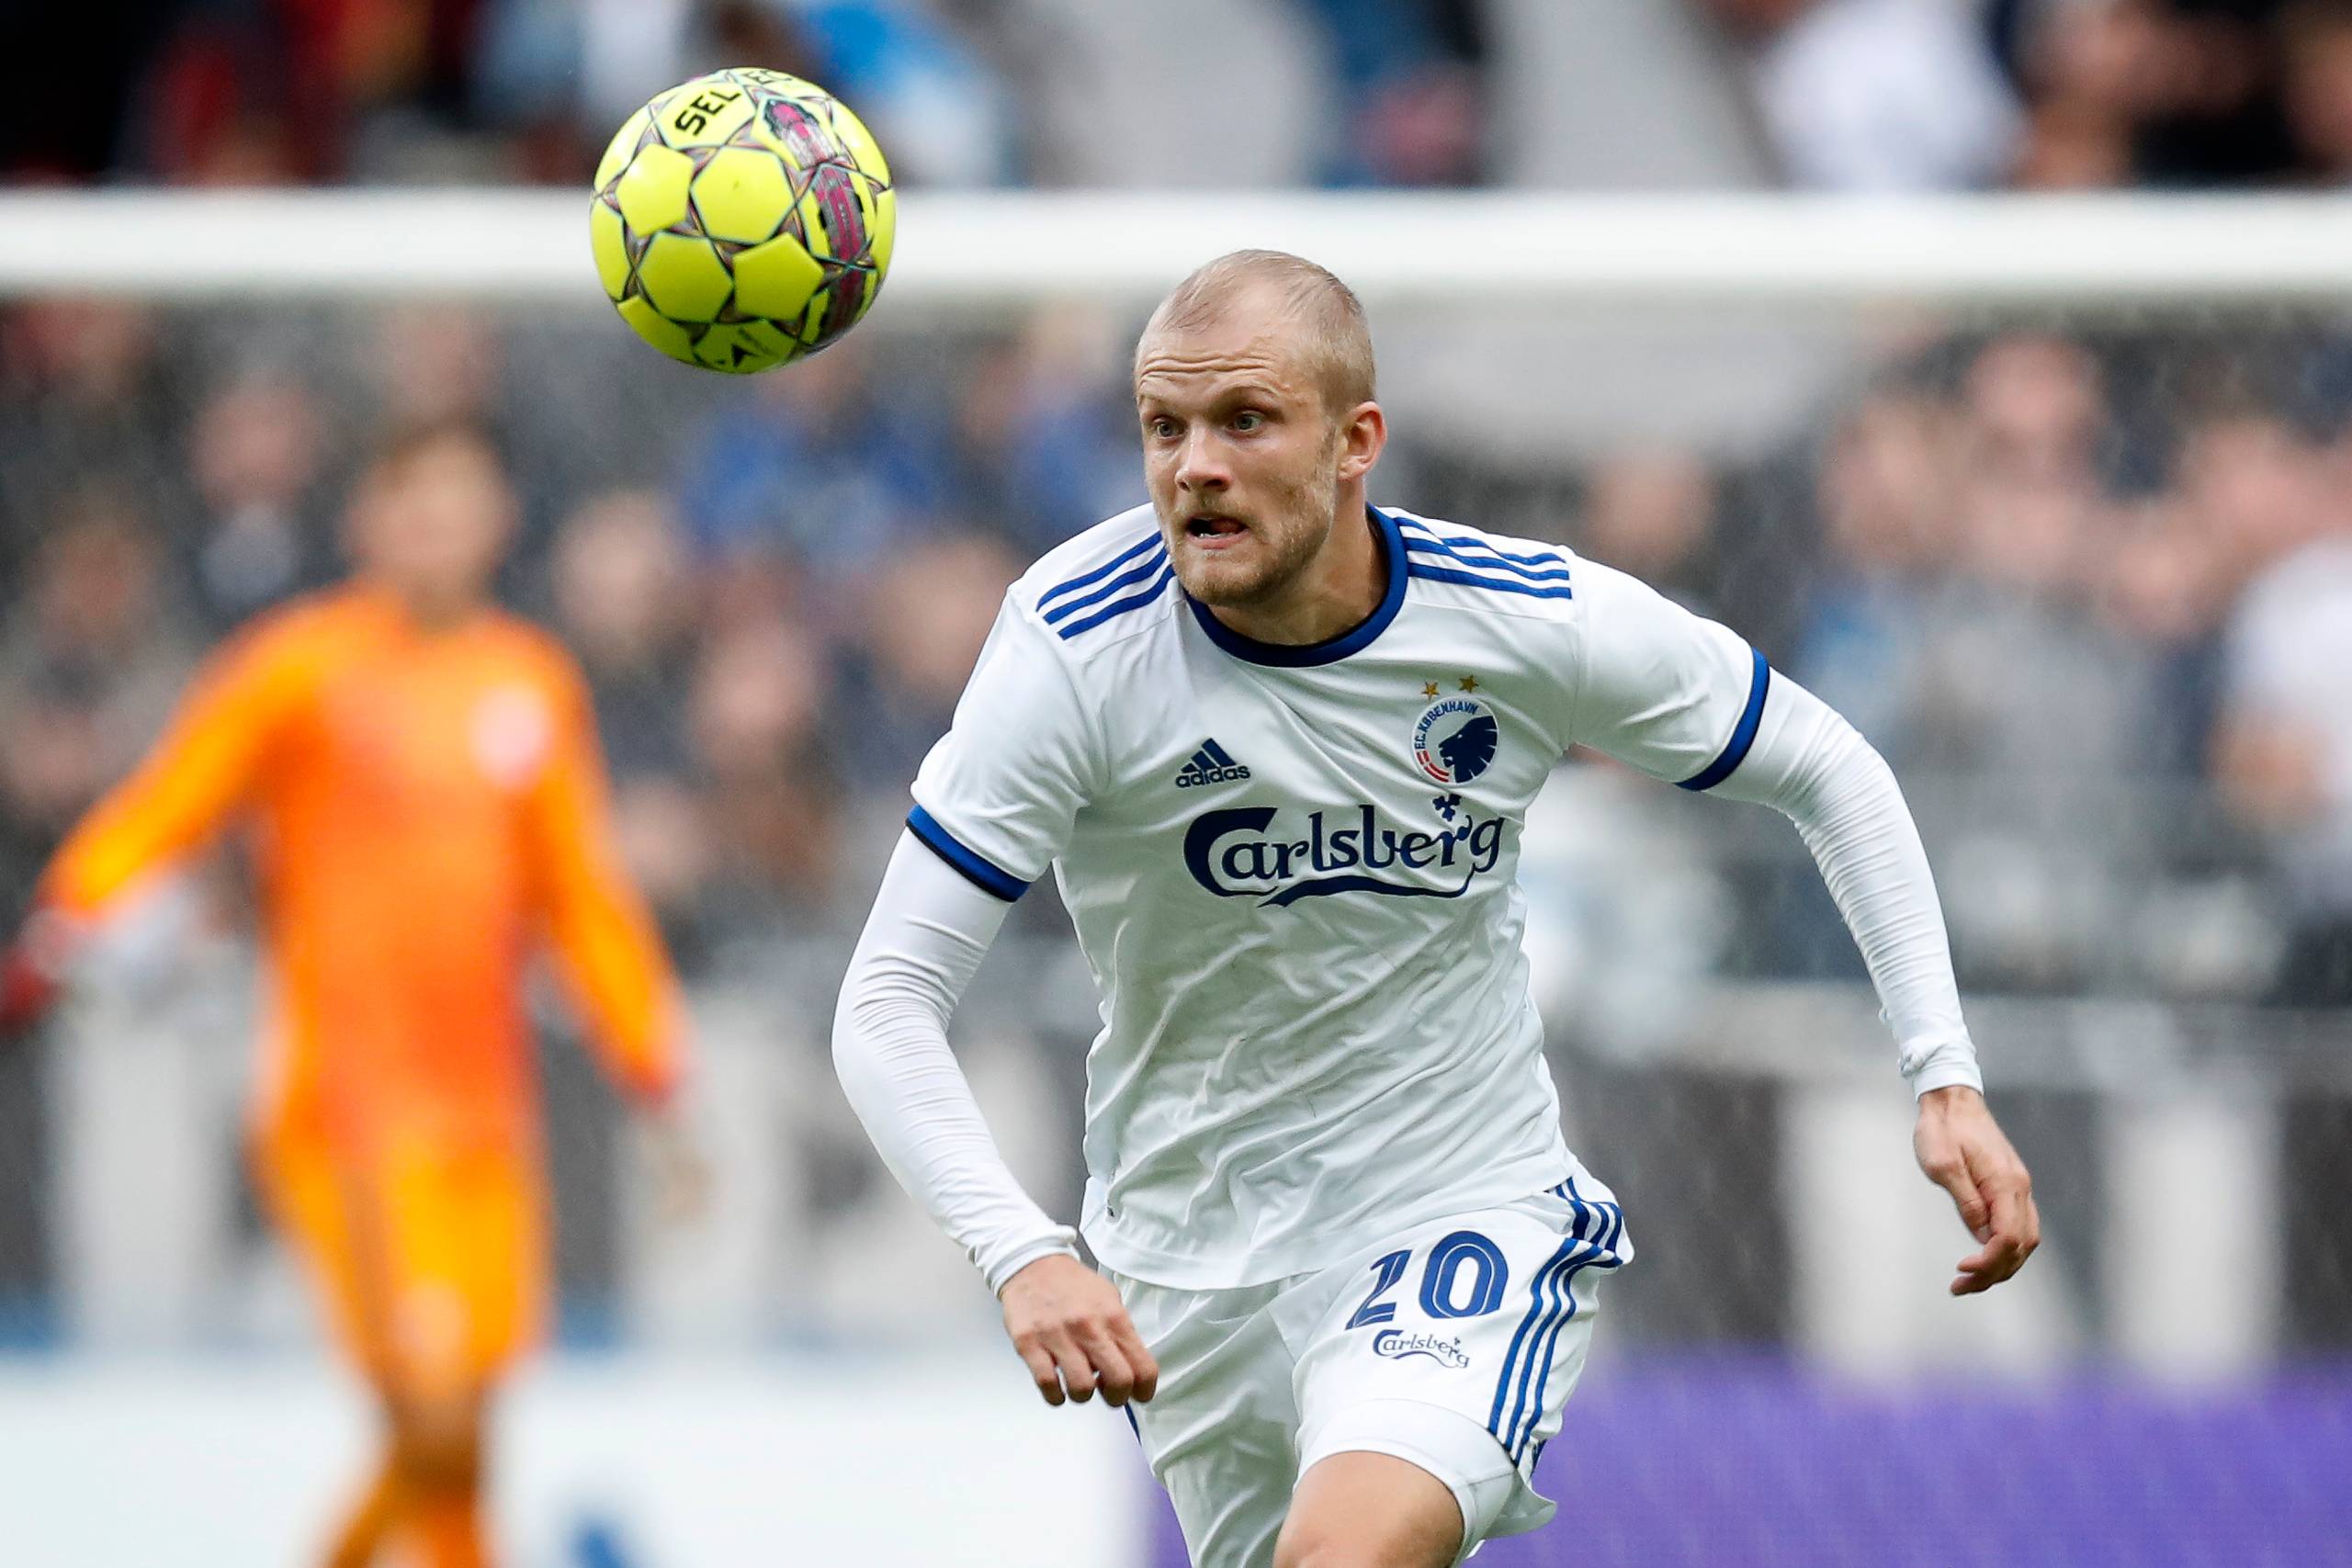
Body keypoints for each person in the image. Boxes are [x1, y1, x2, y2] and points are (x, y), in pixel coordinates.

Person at [831, 250, 2041, 1568]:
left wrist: (1943, 1072)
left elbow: (1830, 768)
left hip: (1452, 1205)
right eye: (1163, 428)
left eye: (1244, 420)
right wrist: (1021, 1251)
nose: (1194, 466)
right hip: (1185, 1261)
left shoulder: (1516, 619)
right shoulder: (1074, 648)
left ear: (1358, 442)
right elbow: (887, 1001)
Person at [0, 420, 701, 1568]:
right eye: (409, 504)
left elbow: (583, 899)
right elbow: (174, 798)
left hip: (488, 1115)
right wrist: (71, 909)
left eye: (456, 503)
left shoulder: (528, 681)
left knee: (463, 1438)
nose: (432, 529)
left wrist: (653, 1066)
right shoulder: (301, 667)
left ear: (499, 520)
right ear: (364, 520)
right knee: (428, 1407)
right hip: (352, 1112)